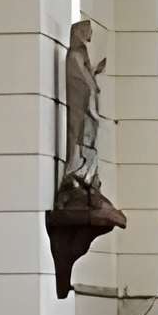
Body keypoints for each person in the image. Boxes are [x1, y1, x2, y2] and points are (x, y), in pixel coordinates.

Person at [60, 20, 106, 198]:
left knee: (89, 140)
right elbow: (80, 78)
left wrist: (94, 76)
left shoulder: (81, 53)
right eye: (88, 31)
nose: (90, 36)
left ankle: (87, 178)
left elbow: (87, 76)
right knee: (80, 137)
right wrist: (91, 86)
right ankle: (75, 171)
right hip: (81, 105)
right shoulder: (75, 55)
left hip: (87, 105)